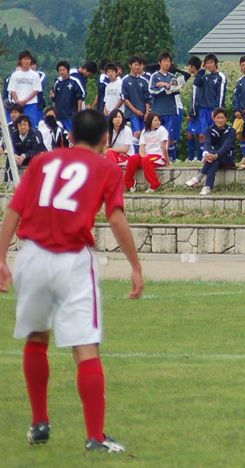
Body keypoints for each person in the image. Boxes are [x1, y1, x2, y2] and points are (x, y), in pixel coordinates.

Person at [0, 109, 143, 453]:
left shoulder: (41, 162)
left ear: (71, 136)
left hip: (32, 256)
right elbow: (116, 218)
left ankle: (39, 422)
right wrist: (136, 267)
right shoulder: (107, 168)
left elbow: (14, 209)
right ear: (105, 139)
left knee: (37, 337)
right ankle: (95, 437)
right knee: (85, 345)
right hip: (73, 260)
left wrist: (1, 257)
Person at [185, 108, 237, 196]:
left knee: (214, 157)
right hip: (214, 158)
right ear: (214, 118)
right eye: (218, 118)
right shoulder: (209, 130)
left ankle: (198, 177)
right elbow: (207, 143)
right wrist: (206, 154)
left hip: (227, 158)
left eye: (222, 118)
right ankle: (207, 187)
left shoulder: (231, 131)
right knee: (214, 161)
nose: (220, 120)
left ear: (226, 119)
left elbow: (226, 146)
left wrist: (216, 155)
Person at [148, 52, 182, 162]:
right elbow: (151, 90)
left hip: (170, 110)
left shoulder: (172, 77)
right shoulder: (154, 76)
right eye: (164, 61)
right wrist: (164, 88)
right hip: (158, 111)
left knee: (168, 135)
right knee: (157, 135)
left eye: (168, 61)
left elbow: (177, 90)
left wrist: (166, 86)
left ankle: (170, 158)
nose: (167, 63)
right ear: (160, 62)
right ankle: (158, 157)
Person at [123, 112, 169, 192]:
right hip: (146, 156)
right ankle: (129, 184)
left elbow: (163, 147)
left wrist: (167, 161)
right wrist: (142, 155)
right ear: (150, 121)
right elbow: (141, 147)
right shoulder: (144, 131)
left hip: (158, 157)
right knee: (132, 158)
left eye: (158, 120)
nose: (158, 122)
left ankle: (155, 185)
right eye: (155, 120)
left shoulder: (162, 130)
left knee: (146, 160)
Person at [193, 54, 227, 156]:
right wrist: (202, 70)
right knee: (203, 134)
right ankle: (203, 156)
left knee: (216, 133)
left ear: (215, 63)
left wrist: (217, 111)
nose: (209, 65)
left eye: (211, 63)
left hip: (214, 110)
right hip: (204, 109)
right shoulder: (205, 77)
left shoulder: (220, 76)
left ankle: (217, 154)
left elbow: (221, 95)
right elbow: (196, 82)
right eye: (207, 63)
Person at [120, 56, 151, 153]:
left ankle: (142, 154)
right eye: (135, 65)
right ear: (130, 65)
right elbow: (124, 98)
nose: (137, 67)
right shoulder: (125, 80)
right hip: (132, 113)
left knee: (144, 135)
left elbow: (147, 98)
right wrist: (135, 110)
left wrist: (147, 113)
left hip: (143, 113)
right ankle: (135, 154)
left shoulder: (144, 81)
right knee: (137, 133)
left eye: (139, 65)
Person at [8, 50, 43, 127]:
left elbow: (36, 90)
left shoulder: (35, 75)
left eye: (28, 59)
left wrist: (25, 101)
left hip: (31, 104)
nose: (27, 61)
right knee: (17, 125)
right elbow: (12, 90)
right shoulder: (15, 75)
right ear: (20, 61)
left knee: (32, 125)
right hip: (17, 105)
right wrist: (17, 102)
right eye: (25, 59)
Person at [51, 61, 85, 133]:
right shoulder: (57, 83)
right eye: (60, 70)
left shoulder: (74, 81)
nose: (62, 72)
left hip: (71, 114)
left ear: (68, 70)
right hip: (59, 115)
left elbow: (80, 96)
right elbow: (54, 99)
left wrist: (79, 111)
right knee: (61, 134)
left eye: (64, 70)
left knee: (72, 134)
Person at [186, 56, 204, 162]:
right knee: (191, 133)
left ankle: (199, 157)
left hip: (199, 110)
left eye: (189, 66)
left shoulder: (199, 79)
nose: (188, 68)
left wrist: (191, 112)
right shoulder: (199, 77)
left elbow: (195, 97)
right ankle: (192, 156)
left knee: (200, 134)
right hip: (197, 109)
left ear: (193, 67)